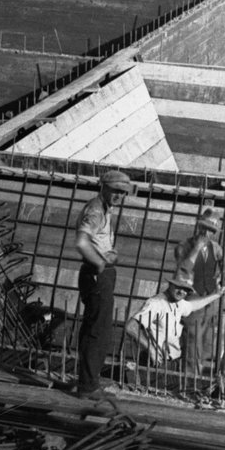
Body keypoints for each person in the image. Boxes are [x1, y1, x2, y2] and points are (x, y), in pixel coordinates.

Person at [70, 168, 134, 401]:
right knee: (98, 331)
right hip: (97, 276)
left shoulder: (104, 209)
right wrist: (98, 263)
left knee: (97, 328)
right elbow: (81, 241)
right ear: (104, 187)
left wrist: (108, 254)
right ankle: (88, 387)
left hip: (101, 274)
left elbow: (94, 241)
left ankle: (88, 380)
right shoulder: (96, 210)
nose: (119, 196)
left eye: (123, 193)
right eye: (116, 191)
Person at [127, 273, 225, 370]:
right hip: (154, 360)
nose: (182, 292)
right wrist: (151, 350)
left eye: (186, 290)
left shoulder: (179, 303)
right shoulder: (156, 304)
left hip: (172, 361)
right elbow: (131, 327)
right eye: (179, 287)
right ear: (171, 285)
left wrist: (216, 295)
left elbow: (193, 305)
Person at [174, 204, 225, 374]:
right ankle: (190, 379)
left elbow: (222, 267)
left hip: (210, 301)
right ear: (198, 226)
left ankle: (205, 378)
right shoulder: (184, 246)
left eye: (211, 230)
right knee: (192, 341)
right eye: (204, 228)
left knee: (208, 343)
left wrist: (221, 272)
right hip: (193, 299)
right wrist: (197, 248)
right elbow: (183, 268)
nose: (206, 233)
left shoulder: (217, 249)